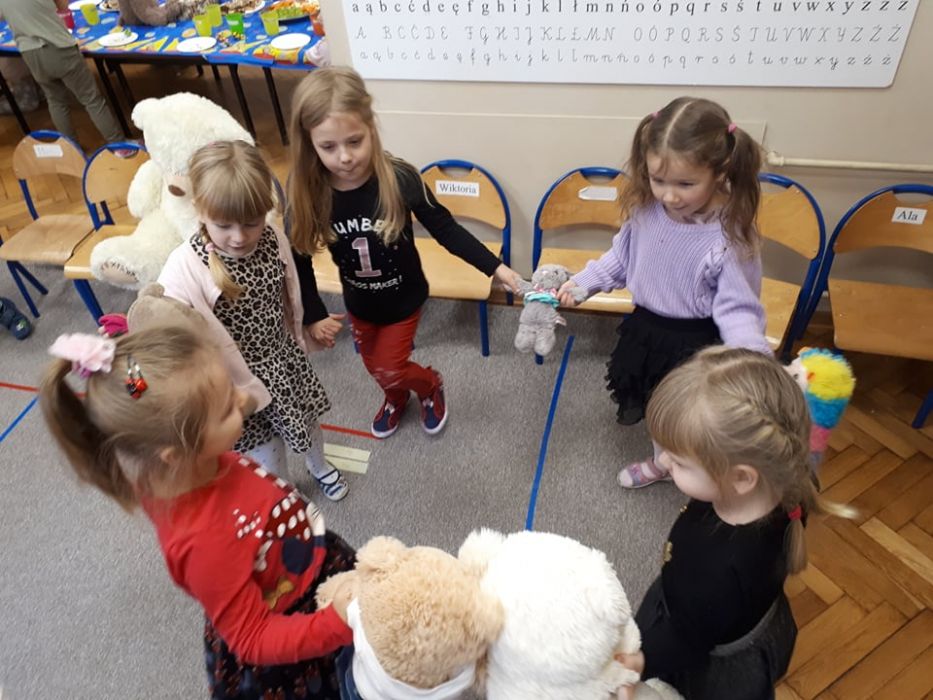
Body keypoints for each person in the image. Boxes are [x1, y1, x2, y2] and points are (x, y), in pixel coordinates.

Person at [39, 325, 357, 699]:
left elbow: (140, 390)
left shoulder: (185, 463)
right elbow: (253, 637)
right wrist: (339, 622)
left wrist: (137, 368)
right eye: (226, 409)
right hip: (295, 628)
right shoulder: (205, 542)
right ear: (176, 453)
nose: (243, 398)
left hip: (301, 563)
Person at [286, 66, 523, 439]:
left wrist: (496, 268)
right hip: (359, 303)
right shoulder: (311, 192)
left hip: (403, 301)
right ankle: (396, 397)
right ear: (310, 143)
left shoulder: (399, 179)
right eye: (328, 147)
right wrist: (313, 314)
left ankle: (430, 384)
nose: (344, 157)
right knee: (376, 368)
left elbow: (445, 228)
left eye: (354, 141)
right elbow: (298, 256)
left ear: (371, 128)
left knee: (391, 366)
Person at [557, 97, 772, 489]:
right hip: (646, 331)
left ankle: (695, 469)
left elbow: (739, 310)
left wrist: (752, 359)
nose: (669, 196)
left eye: (686, 184)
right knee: (658, 408)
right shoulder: (646, 210)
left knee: (692, 418)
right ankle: (663, 463)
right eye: (659, 181)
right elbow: (621, 259)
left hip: (695, 343)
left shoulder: (729, 237)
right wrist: (583, 283)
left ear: (720, 170)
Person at [615, 347, 851, 700]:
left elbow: (687, 640)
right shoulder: (787, 476)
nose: (663, 463)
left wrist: (642, 661)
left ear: (741, 477)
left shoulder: (721, 570)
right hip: (724, 615)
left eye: (679, 462)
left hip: (706, 651)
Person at [158, 140, 349, 501]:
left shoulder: (274, 238)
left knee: (308, 425)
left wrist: (308, 324)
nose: (239, 237)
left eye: (251, 222)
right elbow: (159, 320)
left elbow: (291, 290)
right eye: (224, 225)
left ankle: (319, 466)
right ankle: (285, 494)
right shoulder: (185, 265)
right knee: (266, 452)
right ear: (199, 210)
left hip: (284, 361)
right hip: (239, 384)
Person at [0, 0, 124, 146]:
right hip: (58, 46)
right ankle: (119, 145)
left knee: (55, 101)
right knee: (91, 99)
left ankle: (71, 148)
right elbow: (63, 7)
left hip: (29, 53)